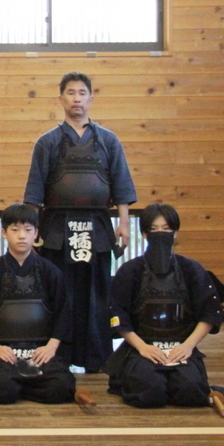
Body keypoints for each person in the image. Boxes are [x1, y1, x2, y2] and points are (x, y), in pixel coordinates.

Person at [23, 71, 136, 373]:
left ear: (90, 98)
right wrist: (31, 230)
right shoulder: (47, 142)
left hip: (97, 224)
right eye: (70, 93)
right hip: (57, 227)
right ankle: (57, 356)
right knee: (59, 291)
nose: (76, 98)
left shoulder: (108, 140)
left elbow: (121, 185)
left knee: (97, 292)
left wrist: (124, 224)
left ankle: (96, 359)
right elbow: (34, 192)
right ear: (61, 99)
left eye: (82, 93)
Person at [106, 203, 224, 408]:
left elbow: (210, 312)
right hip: (143, 345)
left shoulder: (191, 268)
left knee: (190, 392)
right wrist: (142, 347)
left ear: (175, 233)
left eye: (166, 229)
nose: (160, 234)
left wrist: (188, 345)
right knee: (149, 393)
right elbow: (117, 315)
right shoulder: (130, 270)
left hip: (181, 345)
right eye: (154, 230)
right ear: (144, 234)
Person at [0, 204, 75, 404]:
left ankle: (21, 387)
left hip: (39, 350)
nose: (22, 236)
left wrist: (51, 347)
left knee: (60, 387)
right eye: (15, 230)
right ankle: (22, 387)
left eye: (28, 230)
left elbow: (64, 312)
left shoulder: (50, 271)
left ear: (36, 234)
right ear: (4, 233)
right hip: (4, 350)